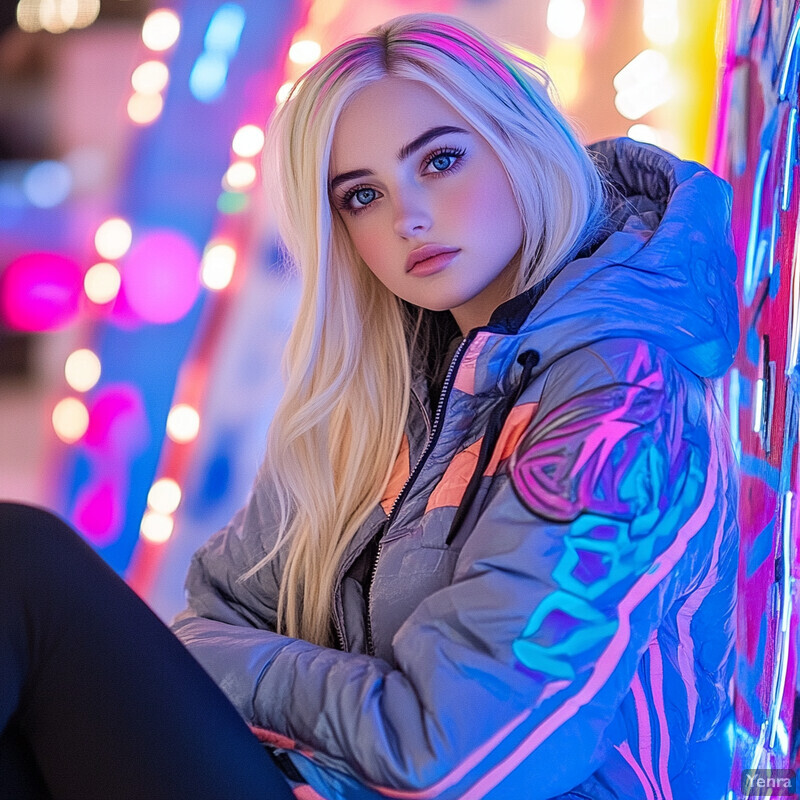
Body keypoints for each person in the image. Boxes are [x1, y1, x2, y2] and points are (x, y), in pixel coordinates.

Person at [0, 12, 740, 800]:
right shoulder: (387, 394)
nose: (408, 216)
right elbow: (219, 612)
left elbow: (453, 754)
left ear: (521, 139)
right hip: (318, 782)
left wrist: (232, 668)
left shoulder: (621, 400)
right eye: (362, 195)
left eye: (442, 160)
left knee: (25, 564)